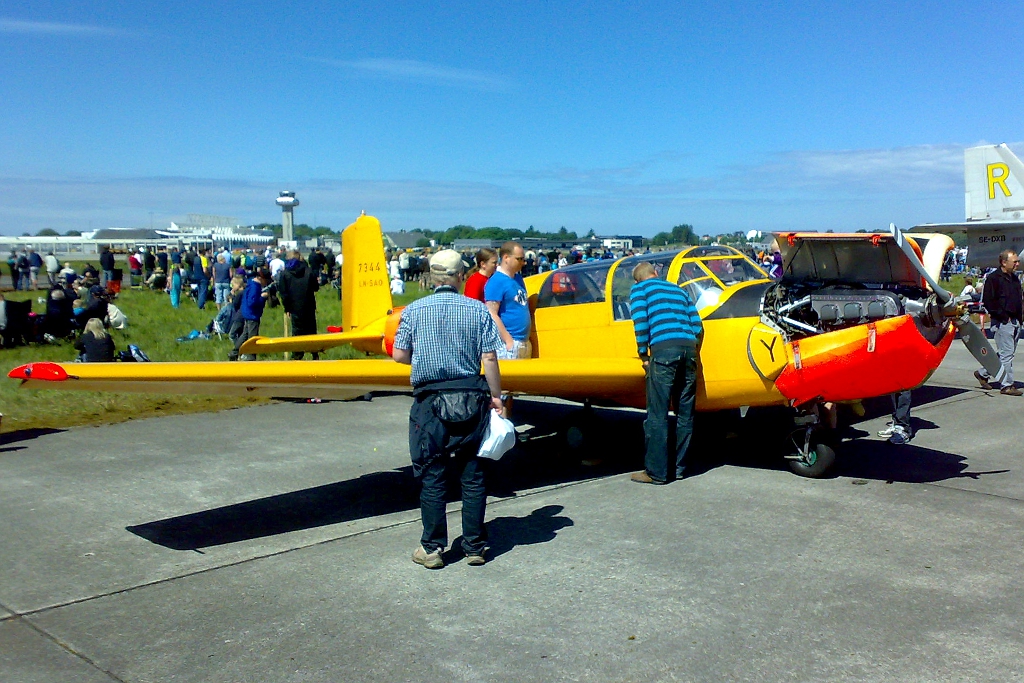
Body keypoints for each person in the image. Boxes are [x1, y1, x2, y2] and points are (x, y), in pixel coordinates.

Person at [392, 249, 504, 569]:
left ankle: (432, 548)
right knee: (473, 475)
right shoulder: (477, 310)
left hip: (429, 402)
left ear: (431, 276)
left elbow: (400, 355)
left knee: (432, 475)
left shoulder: (414, 311)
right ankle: (474, 546)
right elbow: (490, 358)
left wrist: (425, 354)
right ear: (460, 277)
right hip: (471, 399)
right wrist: (496, 396)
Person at [629, 261, 703, 484]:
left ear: (637, 279)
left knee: (657, 414)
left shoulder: (640, 290)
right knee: (684, 414)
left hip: (663, 352)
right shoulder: (678, 289)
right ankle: (680, 468)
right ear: (656, 272)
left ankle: (656, 473)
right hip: (688, 349)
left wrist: (643, 355)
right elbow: (698, 326)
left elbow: (640, 322)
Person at [974, 249, 1023, 396]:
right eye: (1014, 262)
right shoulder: (993, 279)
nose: (1017, 264)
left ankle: (983, 373)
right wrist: (1002, 316)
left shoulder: (1014, 279)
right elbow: (989, 301)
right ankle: (1007, 385)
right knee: (1007, 355)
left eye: (1017, 261)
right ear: (1003, 262)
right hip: (1002, 322)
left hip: (1016, 321)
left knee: (1004, 354)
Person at [485, 241, 531, 361]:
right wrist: (508, 341)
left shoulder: (518, 279)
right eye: (519, 259)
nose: (523, 263)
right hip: (510, 344)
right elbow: (492, 313)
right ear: (506, 258)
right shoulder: (496, 281)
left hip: (523, 341)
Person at [278, 250, 319, 360]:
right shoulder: (308, 271)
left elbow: (283, 293)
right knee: (311, 330)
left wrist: (287, 308)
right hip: (308, 305)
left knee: (297, 331)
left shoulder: (285, 274)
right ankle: (314, 352)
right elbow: (316, 287)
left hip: (294, 306)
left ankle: (297, 354)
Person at [229, 268, 271, 361]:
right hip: (252, 314)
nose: (266, 282)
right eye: (266, 280)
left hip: (247, 313)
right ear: (261, 278)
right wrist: (262, 298)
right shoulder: (255, 287)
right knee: (252, 337)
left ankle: (234, 352)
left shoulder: (251, 283)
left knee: (245, 334)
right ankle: (250, 356)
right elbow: (252, 302)